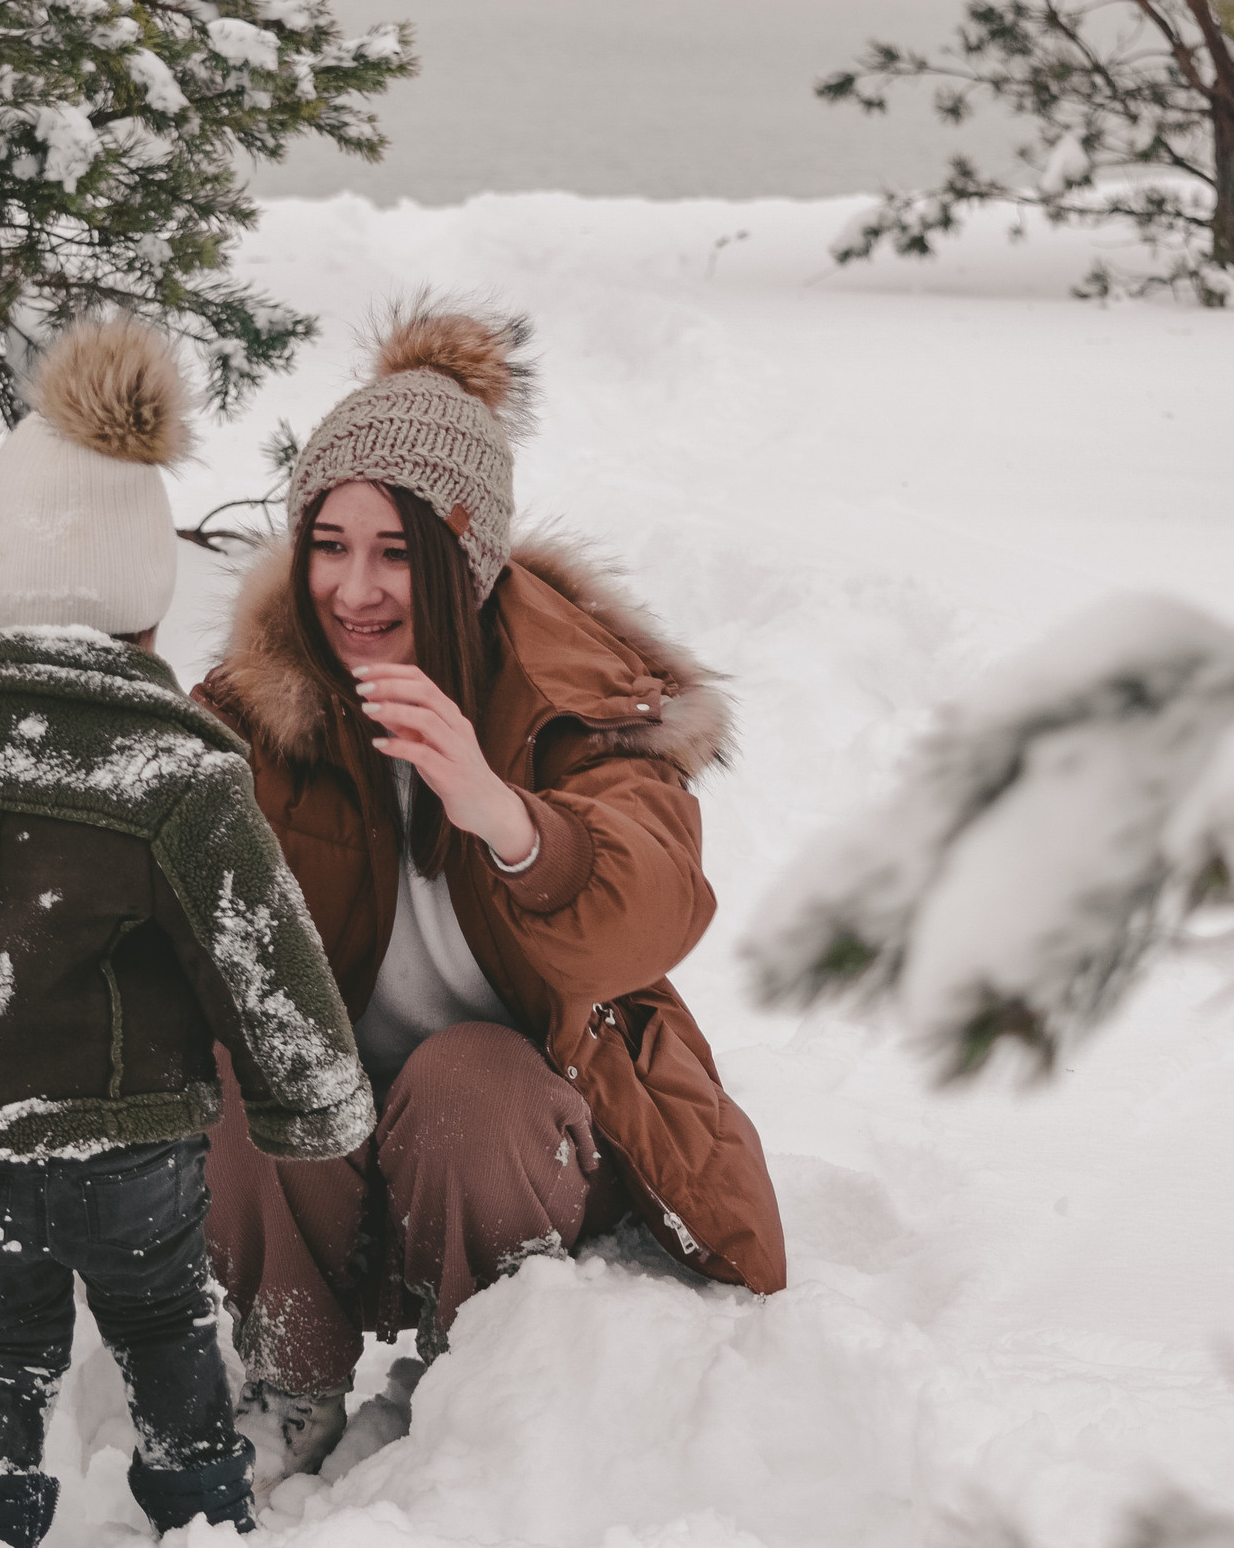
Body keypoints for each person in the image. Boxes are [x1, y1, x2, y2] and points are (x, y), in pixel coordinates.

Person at [0, 318, 374, 1548]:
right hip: (130, 1151)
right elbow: (256, 950)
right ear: (147, 604)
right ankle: (198, 1508)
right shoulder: (176, 775)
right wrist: (308, 1100)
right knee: (161, 1329)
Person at [191, 295, 787, 1479]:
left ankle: (478, 1370)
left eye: (396, 552)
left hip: (526, 1137)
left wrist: (502, 814)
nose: (353, 590)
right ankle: (290, 1375)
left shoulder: (587, 702)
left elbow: (649, 912)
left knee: (468, 1074)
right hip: (324, 1148)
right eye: (329, 544)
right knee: (244, 1068)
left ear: (463, 560)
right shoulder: (253, 709)